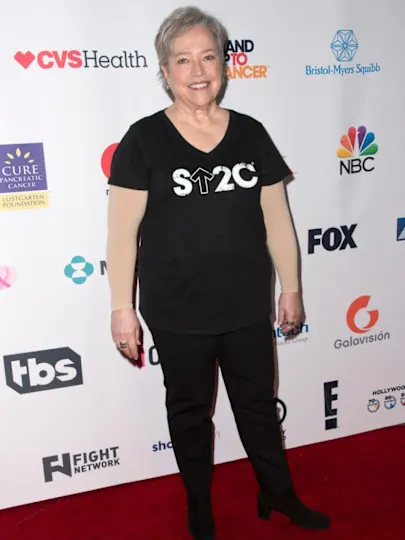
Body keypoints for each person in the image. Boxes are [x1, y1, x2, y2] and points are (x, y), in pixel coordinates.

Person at [106, 6, 330, 539]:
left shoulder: (251, 133)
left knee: (258, 406)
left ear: (224, 65)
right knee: (189, 413)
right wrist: (121, 308)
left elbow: (278, 219)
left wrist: (291, 288)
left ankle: (277, 492)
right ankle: (199, 506)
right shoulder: (143, 139)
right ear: (165, 70)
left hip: (246, 303)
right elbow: (121, 234)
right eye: (183, 59)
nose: (198, 70)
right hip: (176, 309)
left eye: (208, 57)